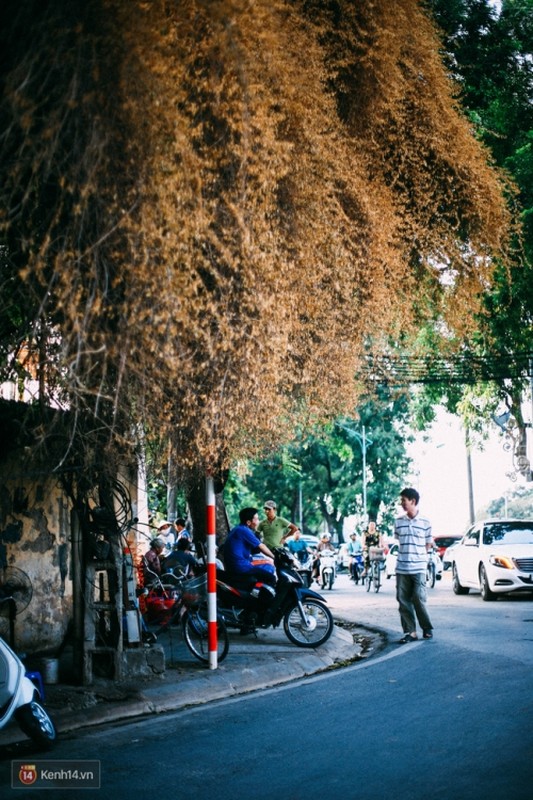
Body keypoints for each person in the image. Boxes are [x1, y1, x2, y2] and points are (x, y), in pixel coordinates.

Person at [394, 487, 434, 643]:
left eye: (404, 500)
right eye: (401, 501)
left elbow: (428, 543)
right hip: (402, 567)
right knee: (403, 600)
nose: (402, 503)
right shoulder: (398, 522)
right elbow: (399, 541)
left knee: (418, 597)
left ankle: (427, 627)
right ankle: (410, 632)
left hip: (418, 567)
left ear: (413, 501)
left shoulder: (425, 522)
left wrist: (419, 556)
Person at [223, 507, 277, 585]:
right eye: (257, 519)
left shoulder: (237, 529)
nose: (259, 522)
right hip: (241, 566)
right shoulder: (244, 530)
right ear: (248, 522)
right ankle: (259, 594)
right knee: (271, 574)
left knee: (268, 563)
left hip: (235, 565)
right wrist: (275, 557)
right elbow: (261, 546)